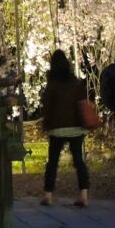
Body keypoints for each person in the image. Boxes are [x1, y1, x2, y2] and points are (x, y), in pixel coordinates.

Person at [40, 49, 90, 207]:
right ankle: (84, 194)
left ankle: (48, 195)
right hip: (76, 127)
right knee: (79, 161)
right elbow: (83, 101)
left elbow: (47, 106)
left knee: (53, 162)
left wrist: (46, 124)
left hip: (57, 128)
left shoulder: (52, 84)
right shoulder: (75, 82)